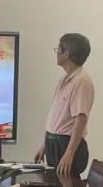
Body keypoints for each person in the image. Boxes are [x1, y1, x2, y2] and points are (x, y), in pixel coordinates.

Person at [35, 32, 94, 177]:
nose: (56, 53)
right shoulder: (65, 80)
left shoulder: (81, 81)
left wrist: (69, 153)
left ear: (66, 53)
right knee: (54, 185)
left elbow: (81, 119)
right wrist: (45, 145)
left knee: (66, 184)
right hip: (54, 142)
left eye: (58, 49)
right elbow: (57, 118)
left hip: (66, 144)